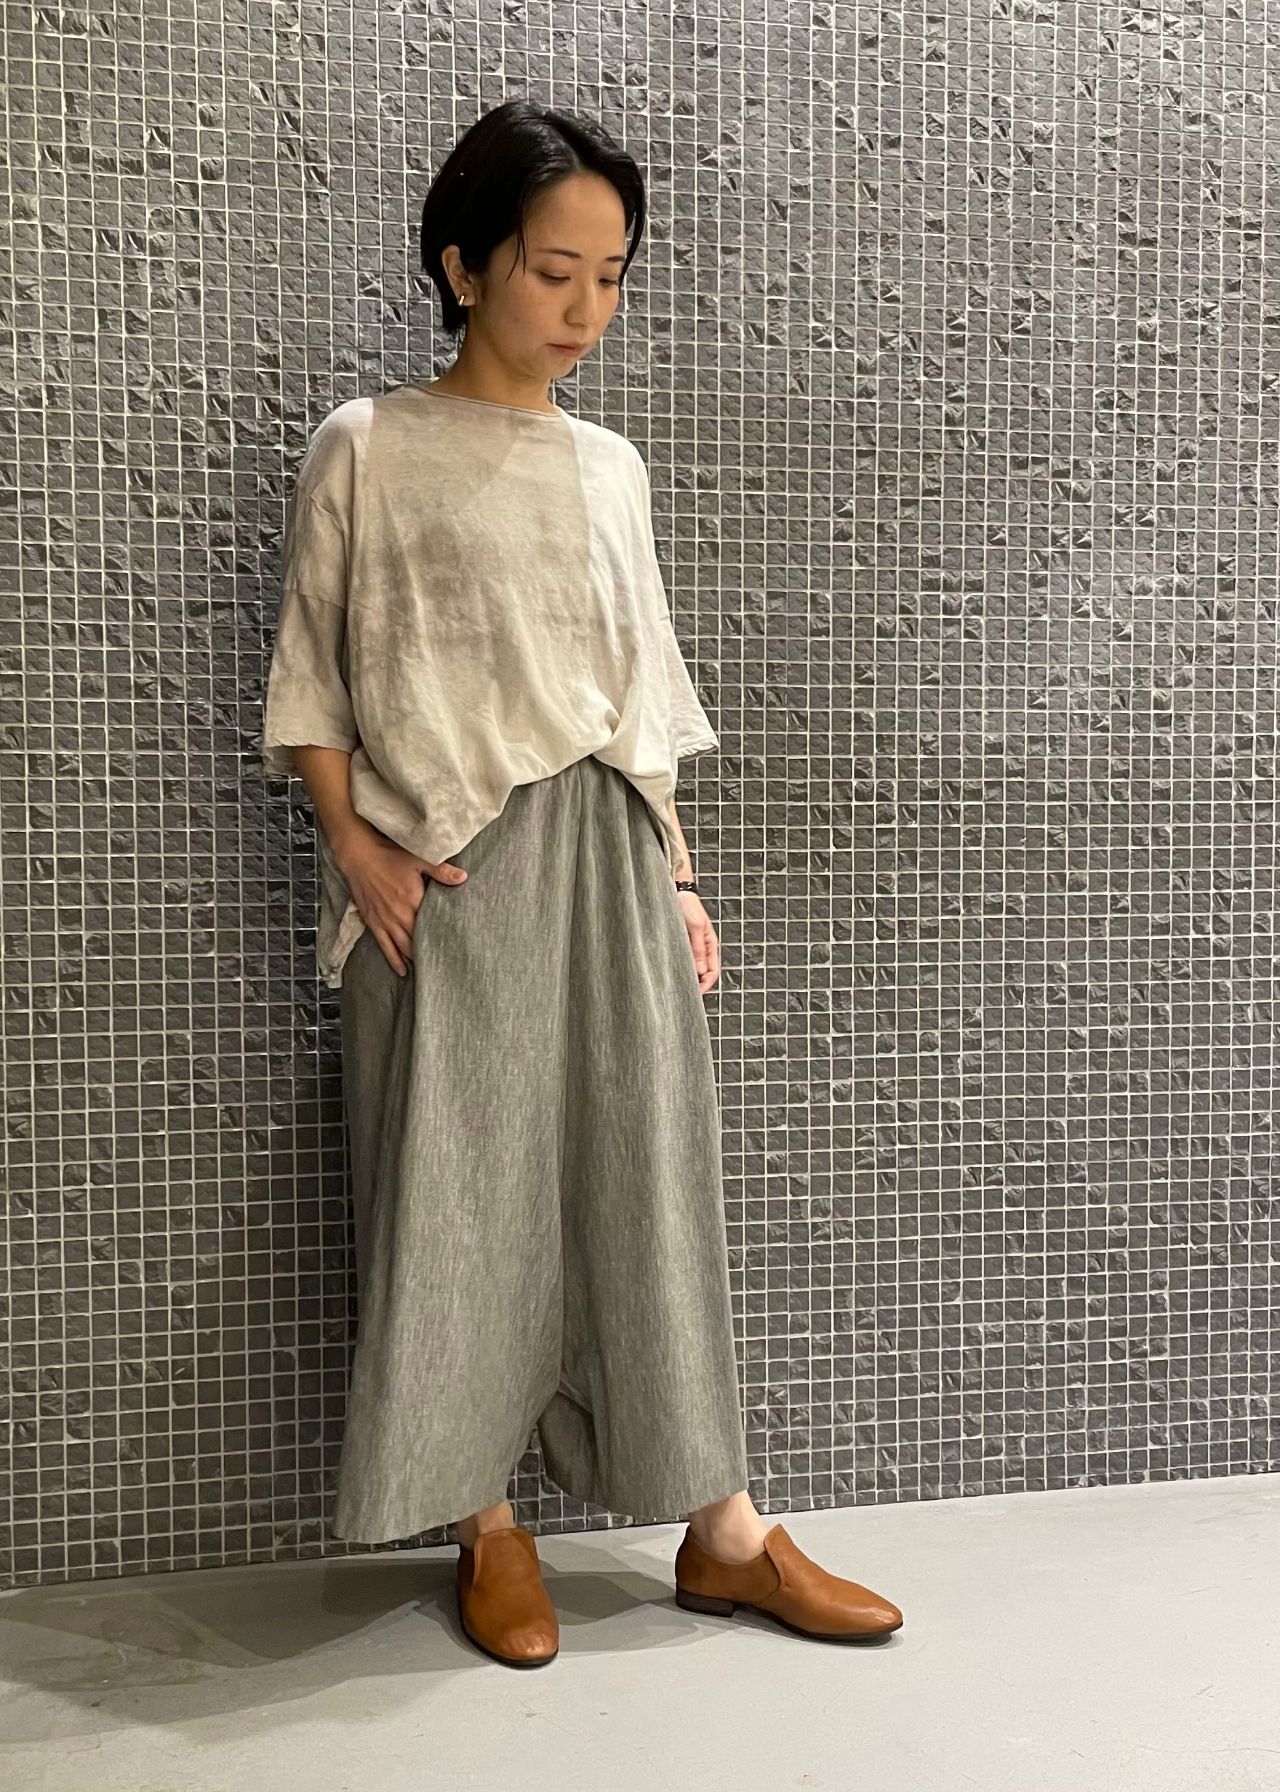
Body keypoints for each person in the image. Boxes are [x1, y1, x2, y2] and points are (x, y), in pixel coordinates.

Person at [262, 96, 903, 1668]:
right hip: (452, 874)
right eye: (556, 271)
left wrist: (676, 877)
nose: (585, 310)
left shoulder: (610, 467)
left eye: (611, 278)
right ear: (463, 264)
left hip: (610, 858)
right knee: (460, 1196)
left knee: (649, 1183)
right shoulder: (368, 445)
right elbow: (313, 686)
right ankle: (487, 1523)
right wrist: (358, 850)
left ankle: (723, 1533)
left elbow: (637, 694)